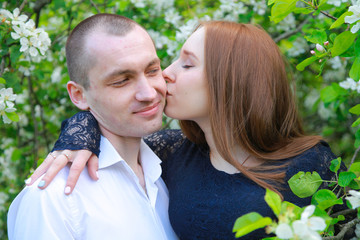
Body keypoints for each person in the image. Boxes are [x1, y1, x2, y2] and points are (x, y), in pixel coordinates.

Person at [26, 21, 338, 239]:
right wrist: (78, 134)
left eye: (186, 65)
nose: (165, 77)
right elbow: (113, 121)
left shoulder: (311, 166)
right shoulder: (176, 154)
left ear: (230, 80)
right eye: (170, 62)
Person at [7, 13, 178, 240]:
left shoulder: (170, 169)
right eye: (121, 81)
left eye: (152, 70)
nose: (148, 93)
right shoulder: (54, 199)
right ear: (79, 95)